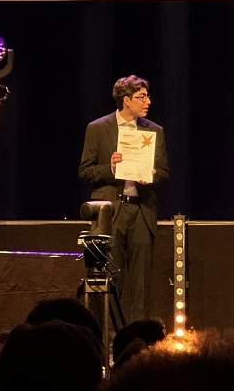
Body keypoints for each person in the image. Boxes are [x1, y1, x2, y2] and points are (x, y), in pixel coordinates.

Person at [79, 75, 170, 322]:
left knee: (141, 283)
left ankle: (139, 336)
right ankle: (109, 335)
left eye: (147, 96)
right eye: (142, 97)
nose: (148, 101)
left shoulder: (154, 130)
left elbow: (164, 172)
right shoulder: (98, 128)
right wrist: (110, 168)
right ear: (126, 100)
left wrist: (151, 175)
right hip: (111, 214)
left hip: (141, 212)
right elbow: (85, 171)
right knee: (111, 280)